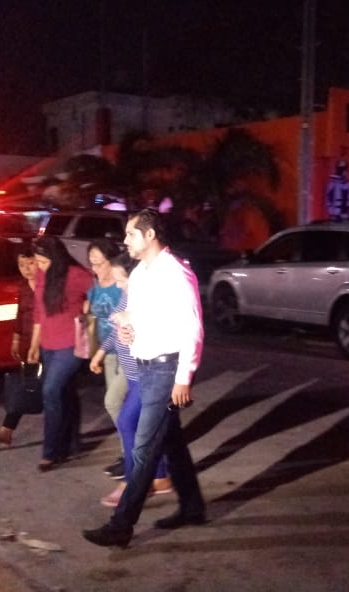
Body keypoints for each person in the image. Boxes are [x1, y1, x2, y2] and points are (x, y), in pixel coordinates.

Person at [82, 208, 206, 547]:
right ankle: (192, 507)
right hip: (145, 366)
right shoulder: (139, 274)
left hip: (166, 369)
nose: (125, 240)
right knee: (171, 442)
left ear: (150, 235)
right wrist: (127, 329)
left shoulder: (176, 273)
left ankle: (121, 524)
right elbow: (136, 315)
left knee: (144, 448)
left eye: (131, 233)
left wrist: (184, 377)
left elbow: (193, 328)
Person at [95, 252, 173, 507]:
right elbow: (117, 329)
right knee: (147, 427)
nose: (118, 285)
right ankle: (160, 477)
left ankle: (132, 482)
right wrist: (101, 351)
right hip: (132, 374)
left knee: (128, 422)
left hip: (147, 373)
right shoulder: (128, 295)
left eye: (121, 280)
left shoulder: (146, 299)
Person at [26, 236, 94, 472]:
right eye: (37, 261)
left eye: (44, 262)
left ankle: (51, 452)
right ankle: (72, 444)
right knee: (65, 393)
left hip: (71, 344)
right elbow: (39, 312)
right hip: (48, 344)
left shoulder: (76, 274)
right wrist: (34, 345)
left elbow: (98, 293)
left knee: (50, 391)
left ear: (56, 258)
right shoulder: (42, 275)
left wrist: (87, 308)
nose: (40, 266)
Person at [0, 243, 39, 447]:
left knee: (55, 389)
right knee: (24, 385)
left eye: (30, 263)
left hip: (50, 343)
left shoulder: (48, 285)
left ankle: (64, 437)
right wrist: (16, 339)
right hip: (28, 343)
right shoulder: (23, 287)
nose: (26, 269)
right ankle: (6, 431)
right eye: (22, 265)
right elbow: (20, 314)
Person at [84, 239, 130, 479]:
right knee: (118, 406)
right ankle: (127, 452)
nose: (95, 268)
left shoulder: (124, 287)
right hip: (109, 352)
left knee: (113, 402)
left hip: (129, 354)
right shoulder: (96, 285)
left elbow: (120, 324)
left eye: (99, 263)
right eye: (91, 263)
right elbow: (97, 317)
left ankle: (134, 455)